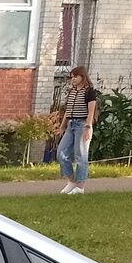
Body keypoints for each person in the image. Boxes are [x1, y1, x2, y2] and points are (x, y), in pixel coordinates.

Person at [56, 66, 97, 194]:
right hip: (71, 124)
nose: (73, 79)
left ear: (82, 77)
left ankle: (80, 186)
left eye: (75, 76)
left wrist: (87, 127)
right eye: (71, 77)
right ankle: (71, 181)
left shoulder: (89, 91)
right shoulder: (72, 91)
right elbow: (68, 110)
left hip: (82, 123)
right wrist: (62, 126)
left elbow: (91, 112)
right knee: (61, 153)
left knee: (81, 155)